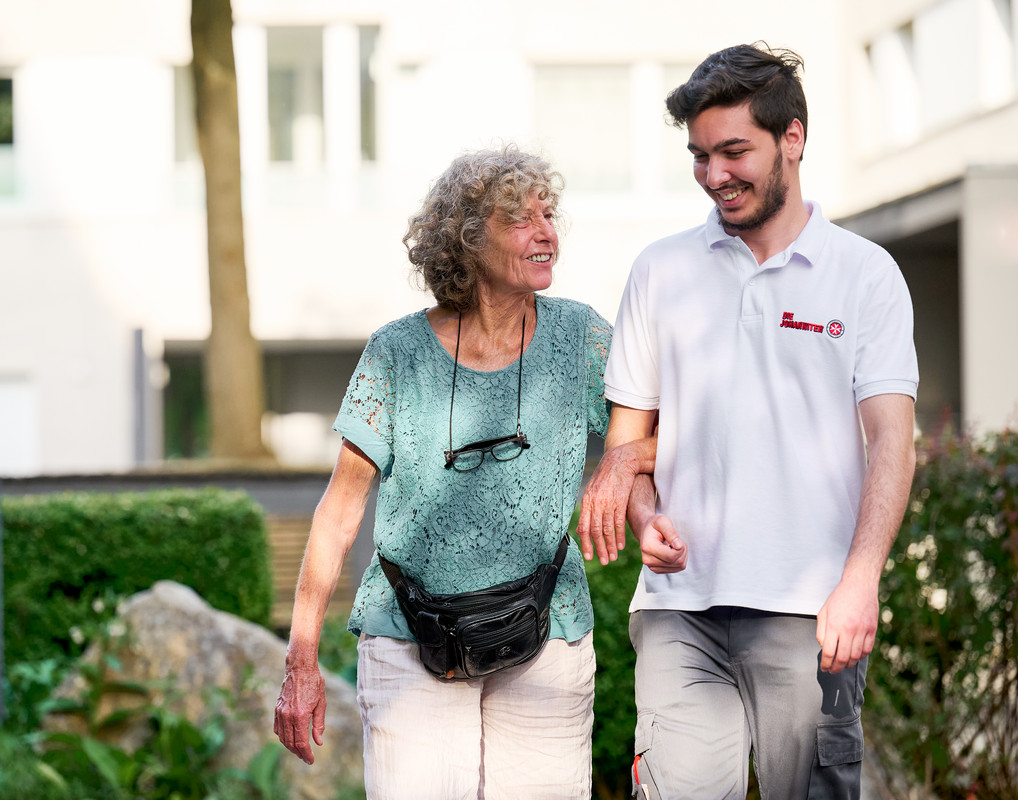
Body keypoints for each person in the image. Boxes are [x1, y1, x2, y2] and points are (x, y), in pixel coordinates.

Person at [578, 43, 918, 799]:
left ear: (792, 138)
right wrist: (644, 515)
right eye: (700, 156)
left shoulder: (865, 275)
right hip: (680, 611)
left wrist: (860, 581)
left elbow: (892, 442)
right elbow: (628, 442)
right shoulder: (660, 270)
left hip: (811, 609)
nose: (714, 175)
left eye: (734, 152)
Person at [274, 145, 653, 799]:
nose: (546, 232)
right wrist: (300, 661)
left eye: (549, 214)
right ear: (469, 240)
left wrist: (622, 461)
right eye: (522, 219)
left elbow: (666, 432)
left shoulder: (581, 336)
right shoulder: (396, 352)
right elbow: (339, 512)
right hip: (409, 634)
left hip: (547, 631)